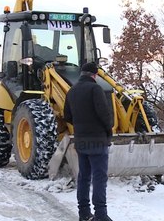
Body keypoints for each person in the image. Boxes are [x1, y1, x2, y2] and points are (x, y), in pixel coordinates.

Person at [64, 62, 113, 221]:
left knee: (84, 177)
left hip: (81, 141)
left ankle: (84, 213)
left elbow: (68, 116)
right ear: (95, 75)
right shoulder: (95, 89)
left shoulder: (71, 91)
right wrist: (108, 129)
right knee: (99, 178)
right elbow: (104, 114)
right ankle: (100, 215)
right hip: (98, 141)